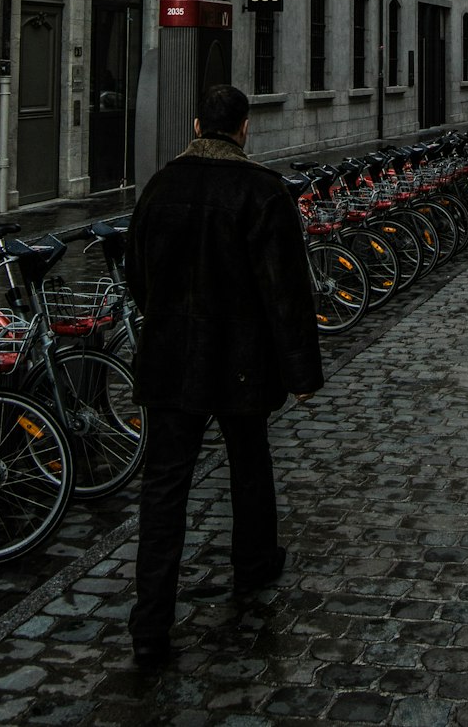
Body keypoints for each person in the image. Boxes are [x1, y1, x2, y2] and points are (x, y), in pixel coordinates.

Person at [125, 83, 323, 669]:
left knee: (164, 489)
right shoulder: (260, 191)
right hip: (239, 358)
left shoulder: (160, 187)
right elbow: (285, 290)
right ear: (243, 129)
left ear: (195, 126)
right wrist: (301, 372)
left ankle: (150, 624)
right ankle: (254, 563)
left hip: (171, 357)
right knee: (249, 462)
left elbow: (137, 271)